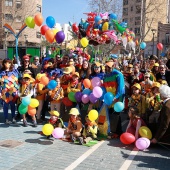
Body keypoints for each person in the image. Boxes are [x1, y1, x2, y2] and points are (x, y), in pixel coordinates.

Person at [103, 61, 125, 138]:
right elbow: (104, 87)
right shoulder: (105, 76)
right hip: (109, 98)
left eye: (108, 67)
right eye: (106, 67)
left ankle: (118, 132)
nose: (107, 68)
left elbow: (121, 87)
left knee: (116, 114)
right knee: (111, 114)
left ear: (113, 66)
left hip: (117, 98)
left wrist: (117, 96)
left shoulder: (118, 74)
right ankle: (116, 131)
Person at [0, 58, 19, 124]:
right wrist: (0, 92)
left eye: (9, 63)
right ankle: (6, 119)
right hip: (4, 92)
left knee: (13, 105)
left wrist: (16, 90)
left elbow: (16, 82)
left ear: (11, 63)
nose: (7, 64)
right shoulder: (1, 72)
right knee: (5, 105)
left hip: (12, 91)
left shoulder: (14, 71)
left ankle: (13, 117)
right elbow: (0, 83)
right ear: (3, 64)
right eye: (5, 63)